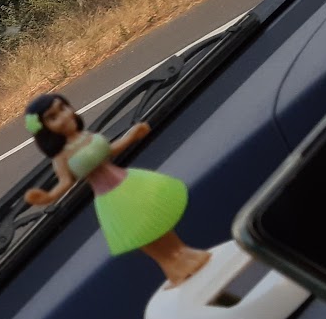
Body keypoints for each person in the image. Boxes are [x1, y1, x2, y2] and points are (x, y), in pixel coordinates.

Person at [23, 92, 210, 287]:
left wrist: (132, 136)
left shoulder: (88, 136)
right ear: (46, 129)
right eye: (53, 117)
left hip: (129, 182)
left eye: (62, 108)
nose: (63, 116)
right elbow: (65, 182)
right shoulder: (61, 157)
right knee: (141, 231)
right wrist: (47, 197)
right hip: (110, 198)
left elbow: (111, 149)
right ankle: (171, 265)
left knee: (155, 217)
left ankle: (183, 252)